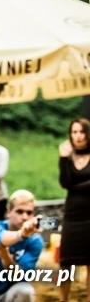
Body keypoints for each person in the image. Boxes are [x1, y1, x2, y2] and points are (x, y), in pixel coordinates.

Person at [57, 117, 90, 302]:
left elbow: (71, 186)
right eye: (74, 132)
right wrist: (63, 158)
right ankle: (63, 299)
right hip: (72, 215)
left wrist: (73, 187)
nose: (78, 136)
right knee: (66, 262)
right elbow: (64, 182)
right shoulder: (67, 157)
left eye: (81, 131)